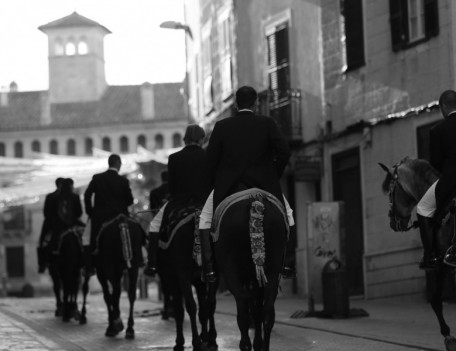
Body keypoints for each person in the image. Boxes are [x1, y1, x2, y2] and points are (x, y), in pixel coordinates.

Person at [199, 85, 296, 283]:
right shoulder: (267, 123)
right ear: (256, 102)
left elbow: (210, 161)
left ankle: (209, 268)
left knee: (205, 219)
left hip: (229, 186)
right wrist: (272, 174)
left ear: (236, 104)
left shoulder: (222, 126)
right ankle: (286, 262)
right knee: (288, 217)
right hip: (265, 185)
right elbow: (284, 151)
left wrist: (219, 180)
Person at [144, 124, 211, 277]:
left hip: (180, 202)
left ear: (185, 139)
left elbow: (172, 187)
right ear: (201, 139)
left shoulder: (174, 158)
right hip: (204, 203)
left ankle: (152, 264)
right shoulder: (208, 155)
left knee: (154, 226)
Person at [416, 89, 456, 269]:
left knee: (423, 208)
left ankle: (431, 256)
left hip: (451, 181)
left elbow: (436, 164)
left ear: (444, 107)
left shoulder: (438, 131)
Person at [84, 154, 134, 274]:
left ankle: (89, 266)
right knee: (134, 234)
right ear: (118, 164)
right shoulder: (123, 180)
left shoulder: (97, 178)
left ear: (109, 163)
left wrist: (91, 212)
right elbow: (130, 201)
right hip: (120, 217)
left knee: (90, 240)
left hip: (101, 217)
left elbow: (87, 195)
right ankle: (138, 259)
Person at [38, 177, 64, 273]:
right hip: (64, 223)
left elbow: (46, 213)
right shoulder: (68, 195)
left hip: (52, 224)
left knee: (42, 241)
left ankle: (42, 263)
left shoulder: (50, 196)